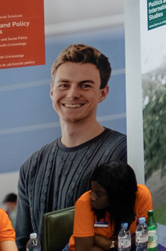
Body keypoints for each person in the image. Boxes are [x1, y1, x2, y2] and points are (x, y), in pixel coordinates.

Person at [16, 44, 127, 250]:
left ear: (103, 93)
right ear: (51, 91)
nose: (72, 94)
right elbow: (22, 243)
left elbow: (126, 234)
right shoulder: (30, 167)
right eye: (64, 85)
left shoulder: (122, 152)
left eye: (85, 85)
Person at [69, 162, 152, 251]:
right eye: (91, 190)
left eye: (98, 193)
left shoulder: (141, 195)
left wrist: (107, 243)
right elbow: (84, 249)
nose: (92, 197)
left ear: (116, 195)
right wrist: (122, 243)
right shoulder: (84, 203)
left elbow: (144, 235)